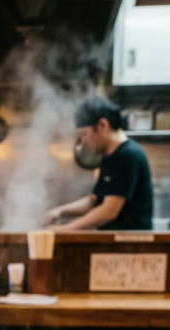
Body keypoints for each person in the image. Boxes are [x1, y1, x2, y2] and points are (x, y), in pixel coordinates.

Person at [43, 97, 153, 231]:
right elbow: (94, 200)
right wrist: (59, 212)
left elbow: (108, 211)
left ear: (102, 125)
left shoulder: (128, 155)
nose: (83, 142)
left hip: (131, 241)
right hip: (114, 240)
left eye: (84, 134)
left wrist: (65, 229)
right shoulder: (109, 156)